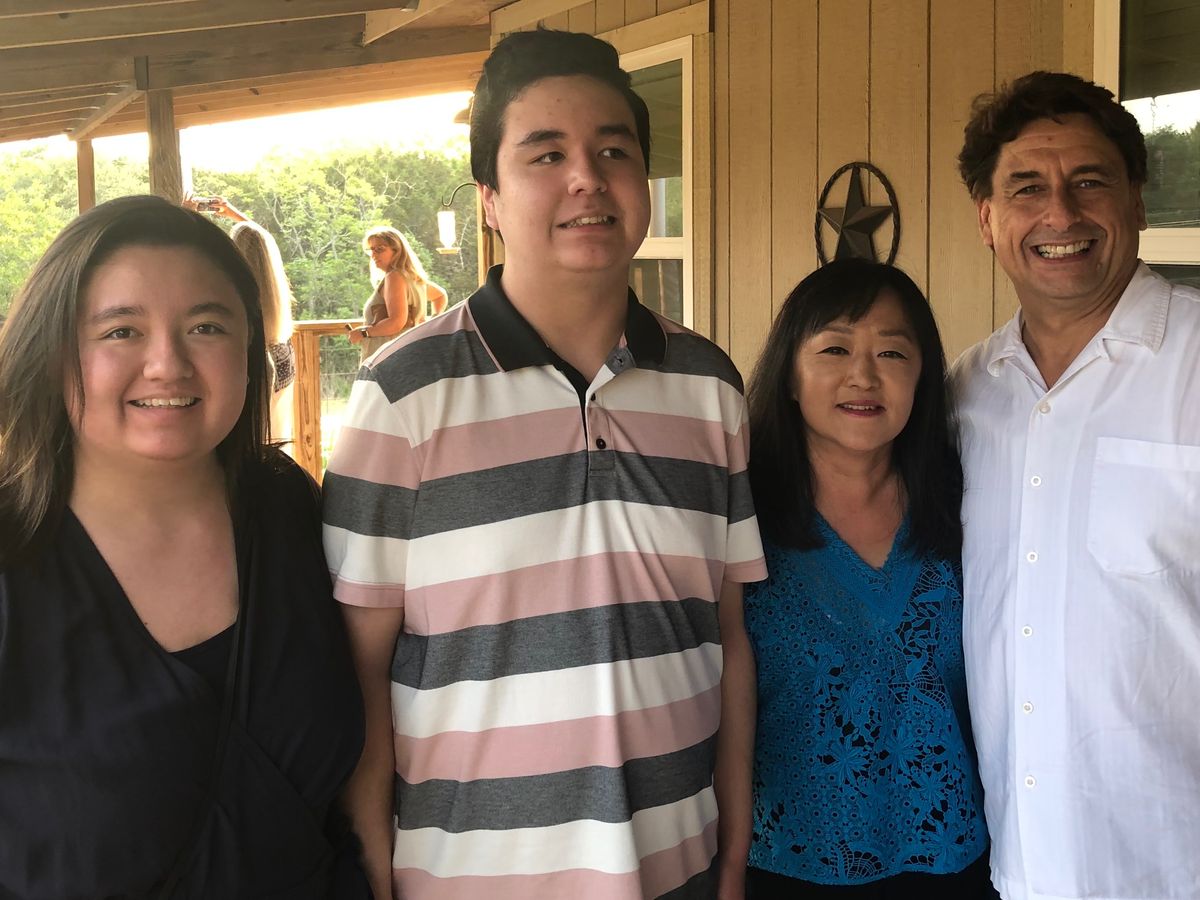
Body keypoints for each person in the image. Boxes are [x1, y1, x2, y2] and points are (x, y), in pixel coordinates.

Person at [322, 28, 766, 900]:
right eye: (547, 154)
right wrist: (375, 863)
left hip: (675, 865)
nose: (587, 179)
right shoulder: (402, 395)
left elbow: (729, 635)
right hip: (468, 879)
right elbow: (358, 670)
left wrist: (733, 852)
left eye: (614, 151)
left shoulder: (710, 387)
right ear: (489, 197)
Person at [0, 195, 368, 899]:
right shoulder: (14, 551)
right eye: (121, 331)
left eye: (206, 326)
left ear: (251, 351)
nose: (167, 364)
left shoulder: (285, 508)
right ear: (51, 354)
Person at [954, 71, 1200, 900]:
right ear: (988, 220)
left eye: (1089, 181)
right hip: (1017, 870)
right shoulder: (963, 395)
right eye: (1027, 187)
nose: (1060, 214)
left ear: (1137, 201)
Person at [732, 259, 990, 899]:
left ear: (922, 375)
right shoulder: (736, 512)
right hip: (779, 869)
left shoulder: (971, 502)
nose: (864, 376)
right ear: (790, 373)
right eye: (835, 349)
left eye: (893, 353)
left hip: (954, 866)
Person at [184, 195, 296, 447]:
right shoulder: (275, 297)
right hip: (280, 358)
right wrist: (235, 215)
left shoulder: (231, 295)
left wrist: (186, 218)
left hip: (253, 364)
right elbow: (260, 244)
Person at [348, 226, 447, 362]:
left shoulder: (394, 276)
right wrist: (432, 322)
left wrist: (363, 332)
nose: (374, 255)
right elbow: (440, 295)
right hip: (407, 352)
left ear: (397, 250)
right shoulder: (411, 277)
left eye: (380, 249)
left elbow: (396, 322)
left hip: (389, 357)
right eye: (371, 250)